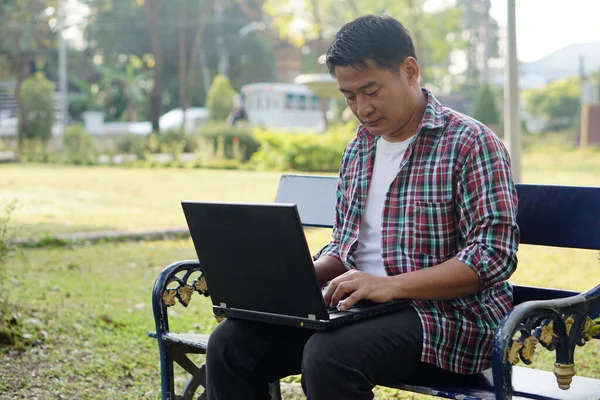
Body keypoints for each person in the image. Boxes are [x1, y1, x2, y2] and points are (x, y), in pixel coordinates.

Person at [205, 14, 519, 400]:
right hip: (361, 309)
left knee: (329, 357)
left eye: (370, 90)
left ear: (409, 71)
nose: (361, 108)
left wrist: (389, 286)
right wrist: (299, 276)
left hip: (449, 317)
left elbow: (492, 256)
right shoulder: (359, 149)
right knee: (230, 343)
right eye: (349, 96)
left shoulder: (471, 143)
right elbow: (346, 244)